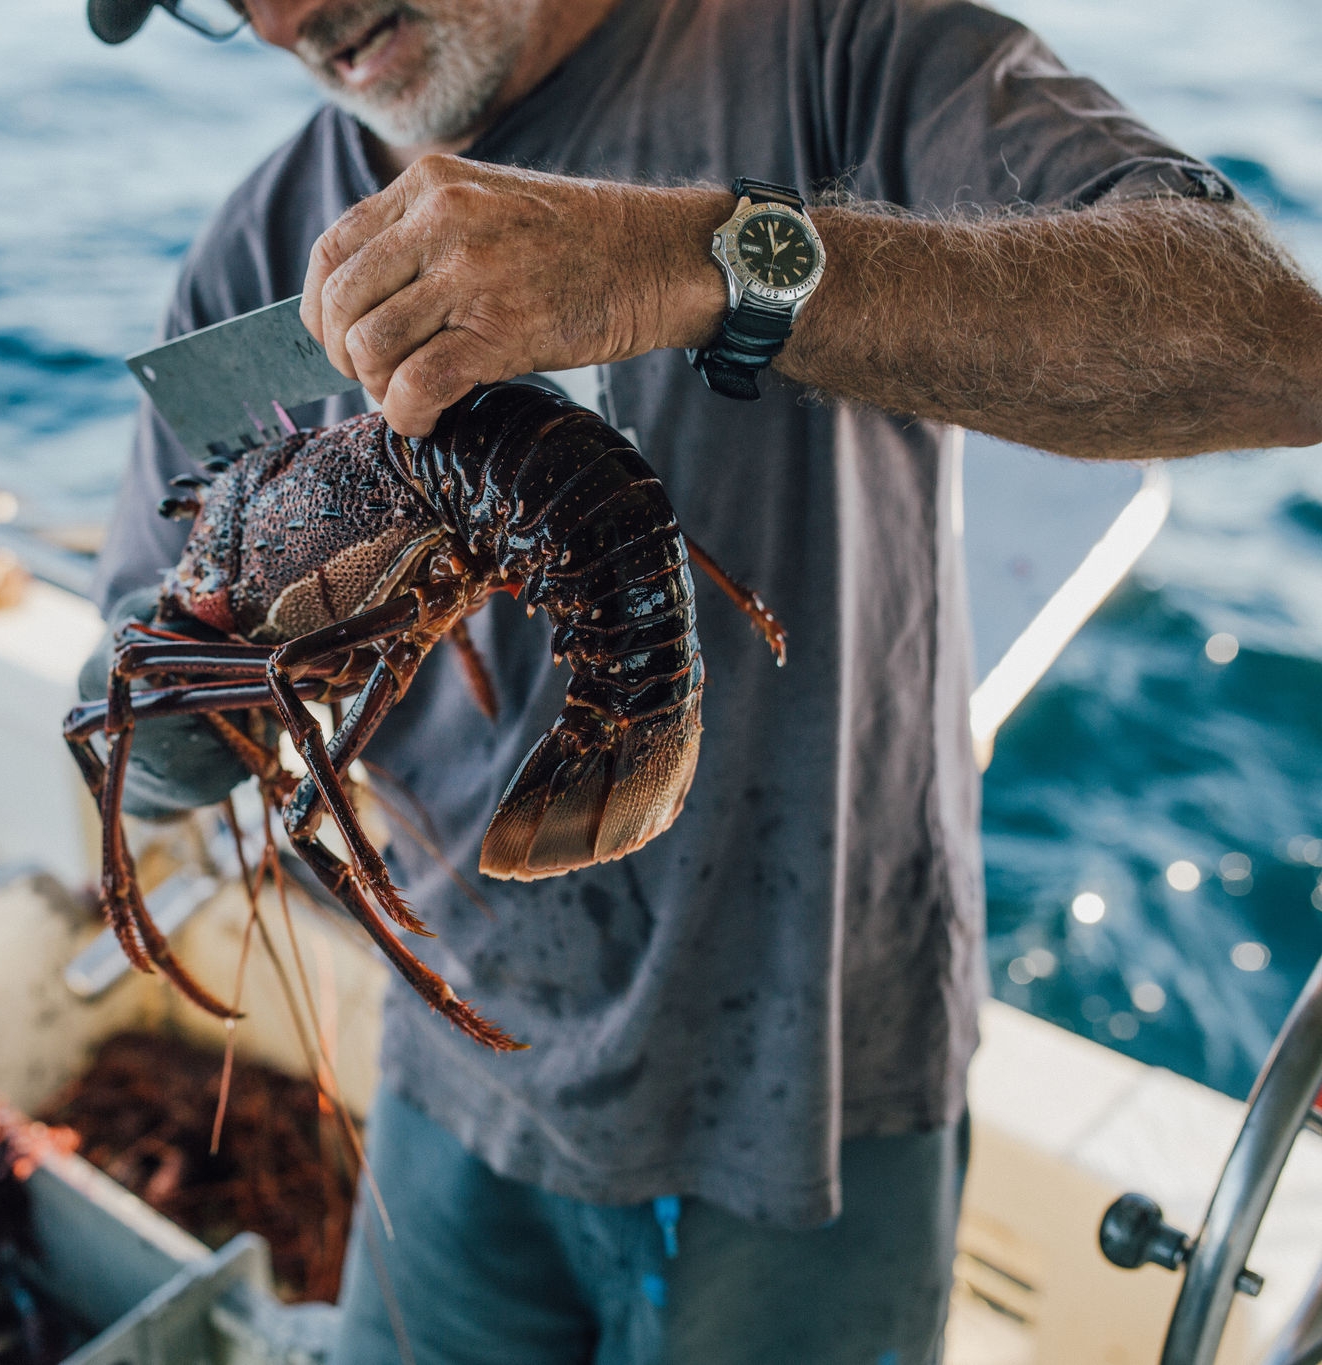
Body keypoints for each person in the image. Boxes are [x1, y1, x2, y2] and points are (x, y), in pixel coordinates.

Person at [80, 1, 1322, 1360]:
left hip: (816, 1095)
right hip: (459, 1074)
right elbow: (141, 725)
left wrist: (708, 257)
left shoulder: (832, 50)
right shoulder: (254, 260)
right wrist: (197, 676)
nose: (287, 11)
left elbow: (1269, 339)